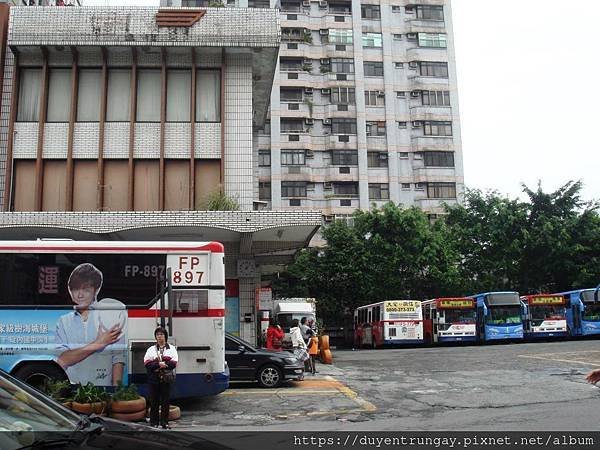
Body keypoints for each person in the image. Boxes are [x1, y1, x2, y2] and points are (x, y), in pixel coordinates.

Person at [55, 263, 126, 386]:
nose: (80, 295)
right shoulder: (63, 321)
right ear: (69, 289)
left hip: (103, 390)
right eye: (76, 289)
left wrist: (117, 393)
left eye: (86, 289)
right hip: (72, 390)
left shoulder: (111, 317)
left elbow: (118, 359)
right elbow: (62, 360)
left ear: (96, 290)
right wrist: (99, 343)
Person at [144, 326, 178, 429]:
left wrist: (162, 364)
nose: (159, 337)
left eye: (161, 335)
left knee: (165, 401)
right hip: (153, 379)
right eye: (157, 335)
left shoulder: (171, 349)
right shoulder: (151, 350)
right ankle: (154, 422)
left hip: (166, 379)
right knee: (154, 401)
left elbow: (173, 363)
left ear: (165, 336)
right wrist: (160, 365)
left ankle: (164, 422)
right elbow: (147, 364)